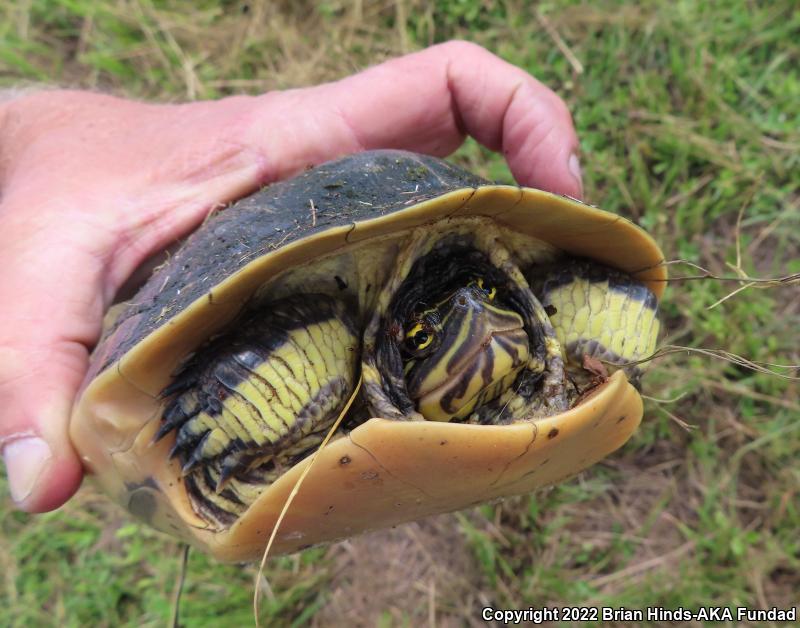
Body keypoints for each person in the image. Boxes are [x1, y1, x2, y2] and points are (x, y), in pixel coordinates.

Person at [0, 41, 582, 513]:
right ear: (384, 358)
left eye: (488, 295)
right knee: (317, 338)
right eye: (424, 340)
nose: (481, 317)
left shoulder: (522, 307)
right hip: (275, 393)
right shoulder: (332, 340)